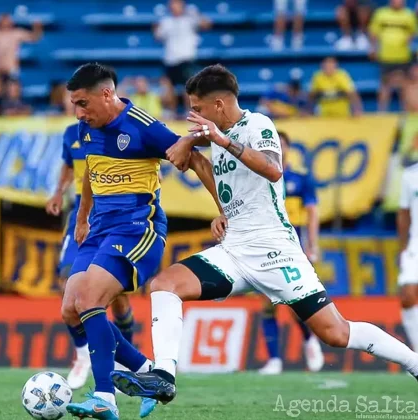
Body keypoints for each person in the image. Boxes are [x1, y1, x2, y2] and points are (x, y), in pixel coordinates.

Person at [111, 64, 418, 404]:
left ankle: (414, 362)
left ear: (219, 105)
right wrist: (219, 204)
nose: (193, 115)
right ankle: (163, 377)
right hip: (233, 249)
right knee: (164, 285)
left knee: (335, 332)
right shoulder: (211, 131)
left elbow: (273, 170)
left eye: (197, 109)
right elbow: (213, 165)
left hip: (274, 249)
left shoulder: (258, 124)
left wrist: (220, 140)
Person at [60, 62, 220, 420]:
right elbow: (89, 172)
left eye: (83, 103)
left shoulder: (143, 127)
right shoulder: (86, 128)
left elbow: (195, 159)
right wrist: (82, 218)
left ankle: (104, 397)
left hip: (136, 227)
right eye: (74, 104)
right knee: (71, 308)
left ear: (107, 94)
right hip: (98, 227)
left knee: (89, 300)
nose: (78, 112)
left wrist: (223, 209)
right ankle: (147, 370)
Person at [45, 120, 137, 390]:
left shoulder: (123, 129)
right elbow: (68, 165)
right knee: (67, 279)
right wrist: (58, 192)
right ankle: (83, 354)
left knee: (116, 295)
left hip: (113, 211)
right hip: (81, 213)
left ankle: (123, 360)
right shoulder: (70, 132)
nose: (80, 109)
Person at [258, 130, 324, 375]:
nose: (279, 149)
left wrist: (312, 245)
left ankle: (310, 340)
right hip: (267, 246)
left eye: (283, 145)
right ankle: (275, 360)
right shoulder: (260, 178)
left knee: (297, 302)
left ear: (288, 148)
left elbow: (312, 214)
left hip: (293, 247)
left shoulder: (300, 179)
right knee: (267, 303)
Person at [369, 0, 417, 112]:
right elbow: (373, 32)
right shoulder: (380, 13)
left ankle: (406, 112)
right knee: (385, 85)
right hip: (386, 55)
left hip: (403, 56)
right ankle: (382, 112)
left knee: (405, 86)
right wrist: (373, 48)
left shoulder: (409, 14)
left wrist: (408, 38)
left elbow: (413, 31)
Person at [397, 159, 418, 352]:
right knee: (407, 296)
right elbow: (404, 212)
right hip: (415, 244)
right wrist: (403, 246)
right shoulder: (410, 175)